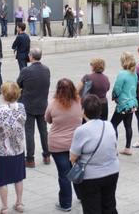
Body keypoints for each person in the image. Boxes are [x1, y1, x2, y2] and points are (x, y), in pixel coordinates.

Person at [70, 95, 120, 214]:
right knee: (109, 206)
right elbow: (114, 147)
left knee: (92, 208)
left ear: (83, 111)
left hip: (91, 177)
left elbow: (72, 157)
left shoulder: (81, 130)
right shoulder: (109, 125)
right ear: (100, 110)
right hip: (112, 171)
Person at [45, 78, 83, 212]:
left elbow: (48, 120)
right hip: (76, 143)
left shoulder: (53, 104)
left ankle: (66, 204)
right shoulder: (78, 102)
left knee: (64, 174)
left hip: (57, 144)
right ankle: (82, 196)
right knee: (77, 170)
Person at [0, 82, 27, 214]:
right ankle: (19, 203)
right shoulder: (22, 107)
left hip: (1, 150)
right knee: (18, 177)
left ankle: (4, 207)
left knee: (2, 180)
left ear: (3, 94)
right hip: (18, 148)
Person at [17, 48, 51, 167]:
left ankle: (30, 159)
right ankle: (47, 155)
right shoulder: (46, 70)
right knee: (43, 131)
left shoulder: (26, 70)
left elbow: (18, 84)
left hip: (29, 105)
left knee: (29, 132)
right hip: (42, 104)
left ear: (31, 56)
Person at [110, 52, 139, 156]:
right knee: (128, 125)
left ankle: (113, 149)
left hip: (123, 104)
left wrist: (114, 97)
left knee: (113, 124)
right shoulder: (134, 73)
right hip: (132, 103)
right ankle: (127, 148)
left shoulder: (122, 74)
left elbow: (117, 89)